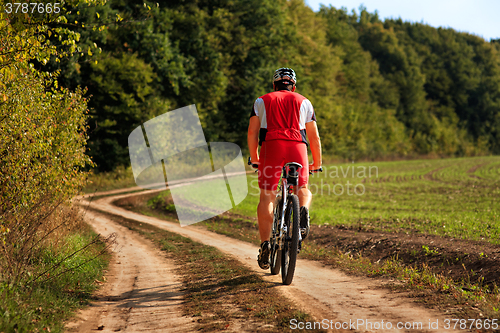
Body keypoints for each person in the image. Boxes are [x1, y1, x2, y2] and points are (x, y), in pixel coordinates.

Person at [247, 67, 322, 269]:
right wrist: (318, 162)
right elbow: (314, 136)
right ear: (293, 86)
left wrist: (255, 158)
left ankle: (265, 245)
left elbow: (253, 132)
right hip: (297, 147)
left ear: (274, 85)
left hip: (272, 147)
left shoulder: (262, 101)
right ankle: (302, 210)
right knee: (302, 188)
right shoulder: (304, 101)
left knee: (267, 196)